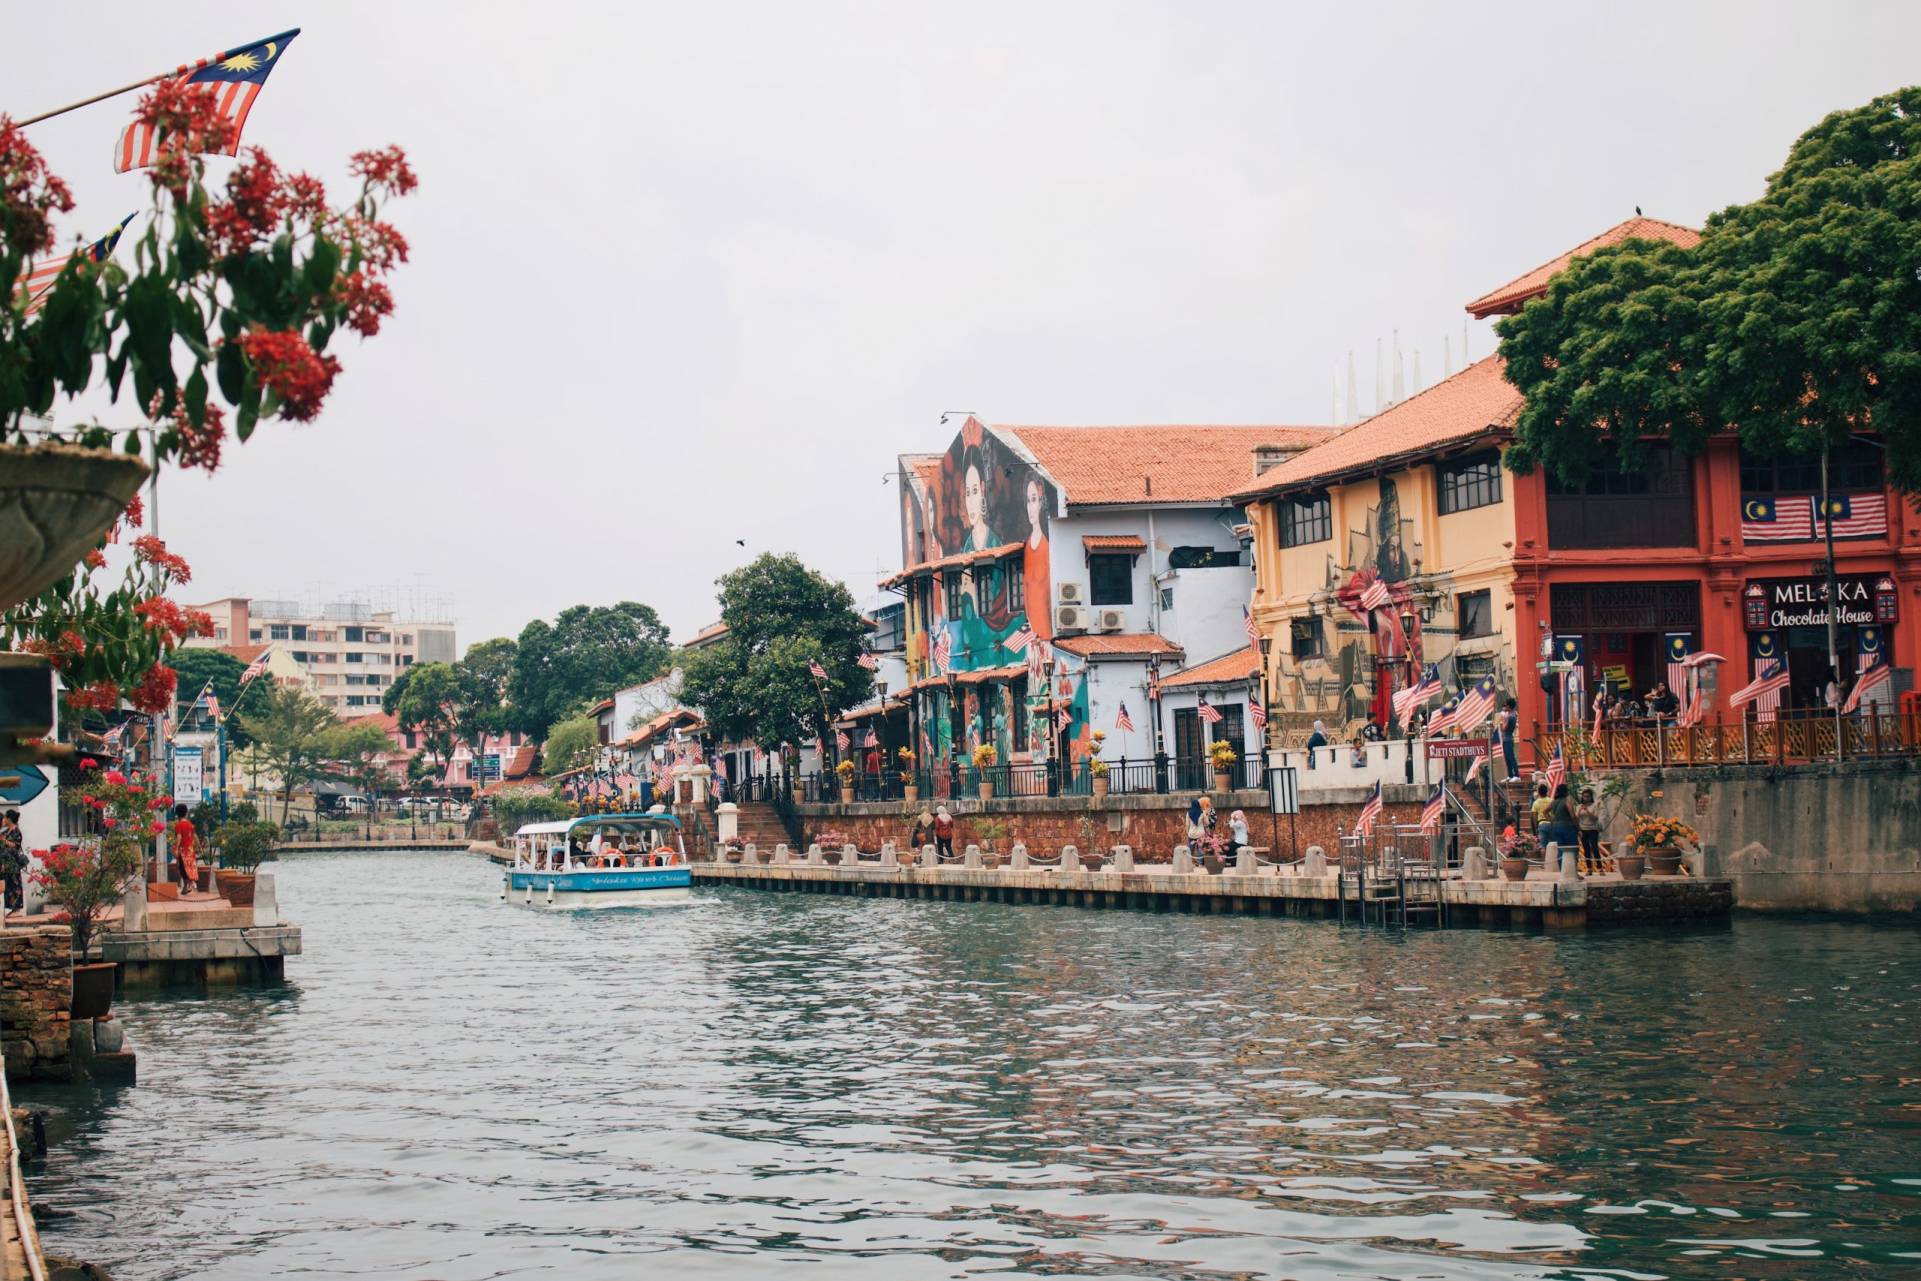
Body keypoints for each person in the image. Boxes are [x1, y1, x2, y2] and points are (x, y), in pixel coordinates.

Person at [171, 804, 199, 894]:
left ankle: (187, 885)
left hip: (183, 850)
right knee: (190, 867)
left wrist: (176, 848)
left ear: (177, 814)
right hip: (190, 850)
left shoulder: (179, 825)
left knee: (182, 867)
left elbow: (179, 837)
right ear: (186, 813)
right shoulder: (190, 825)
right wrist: (199, 846)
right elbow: (195, 836)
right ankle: (188, 885)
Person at [1, 810, 25, 916]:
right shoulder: (5, 832)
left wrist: (4, 841)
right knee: (9, 885)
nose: (4, 820)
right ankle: (10, 907)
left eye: (5, 818)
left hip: (14, 863)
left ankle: (17, 908)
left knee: (15, 885)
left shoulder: (17, 832)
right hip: (5, 863)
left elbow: (16, 846)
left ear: (9, 819)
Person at [1574, 787, 1602, 875]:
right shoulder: (1579, 806)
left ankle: (1600, 868)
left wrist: (1587, 810)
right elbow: (1576, 818)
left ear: (1591, 797)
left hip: (1593, 829)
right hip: (1583, 830)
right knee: (1586, 849)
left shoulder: (1594, 806)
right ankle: (1589, 868)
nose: (1586, 798)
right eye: (1584, 796)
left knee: (1594, 848)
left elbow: (1595, 818)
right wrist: (1579, 811)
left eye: (1588, 796)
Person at [1497, 698, 1521, 783]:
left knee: (1511, 757)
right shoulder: (1512, 714)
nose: (1504, 706)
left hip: (1508, 739)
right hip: (1506, 739)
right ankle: (1510, 775)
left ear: (1509, 706)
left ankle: (1516, 775)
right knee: (1507, 758)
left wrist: (1501, 722)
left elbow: (1504, 728)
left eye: (1506, 705)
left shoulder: (1510, 717)